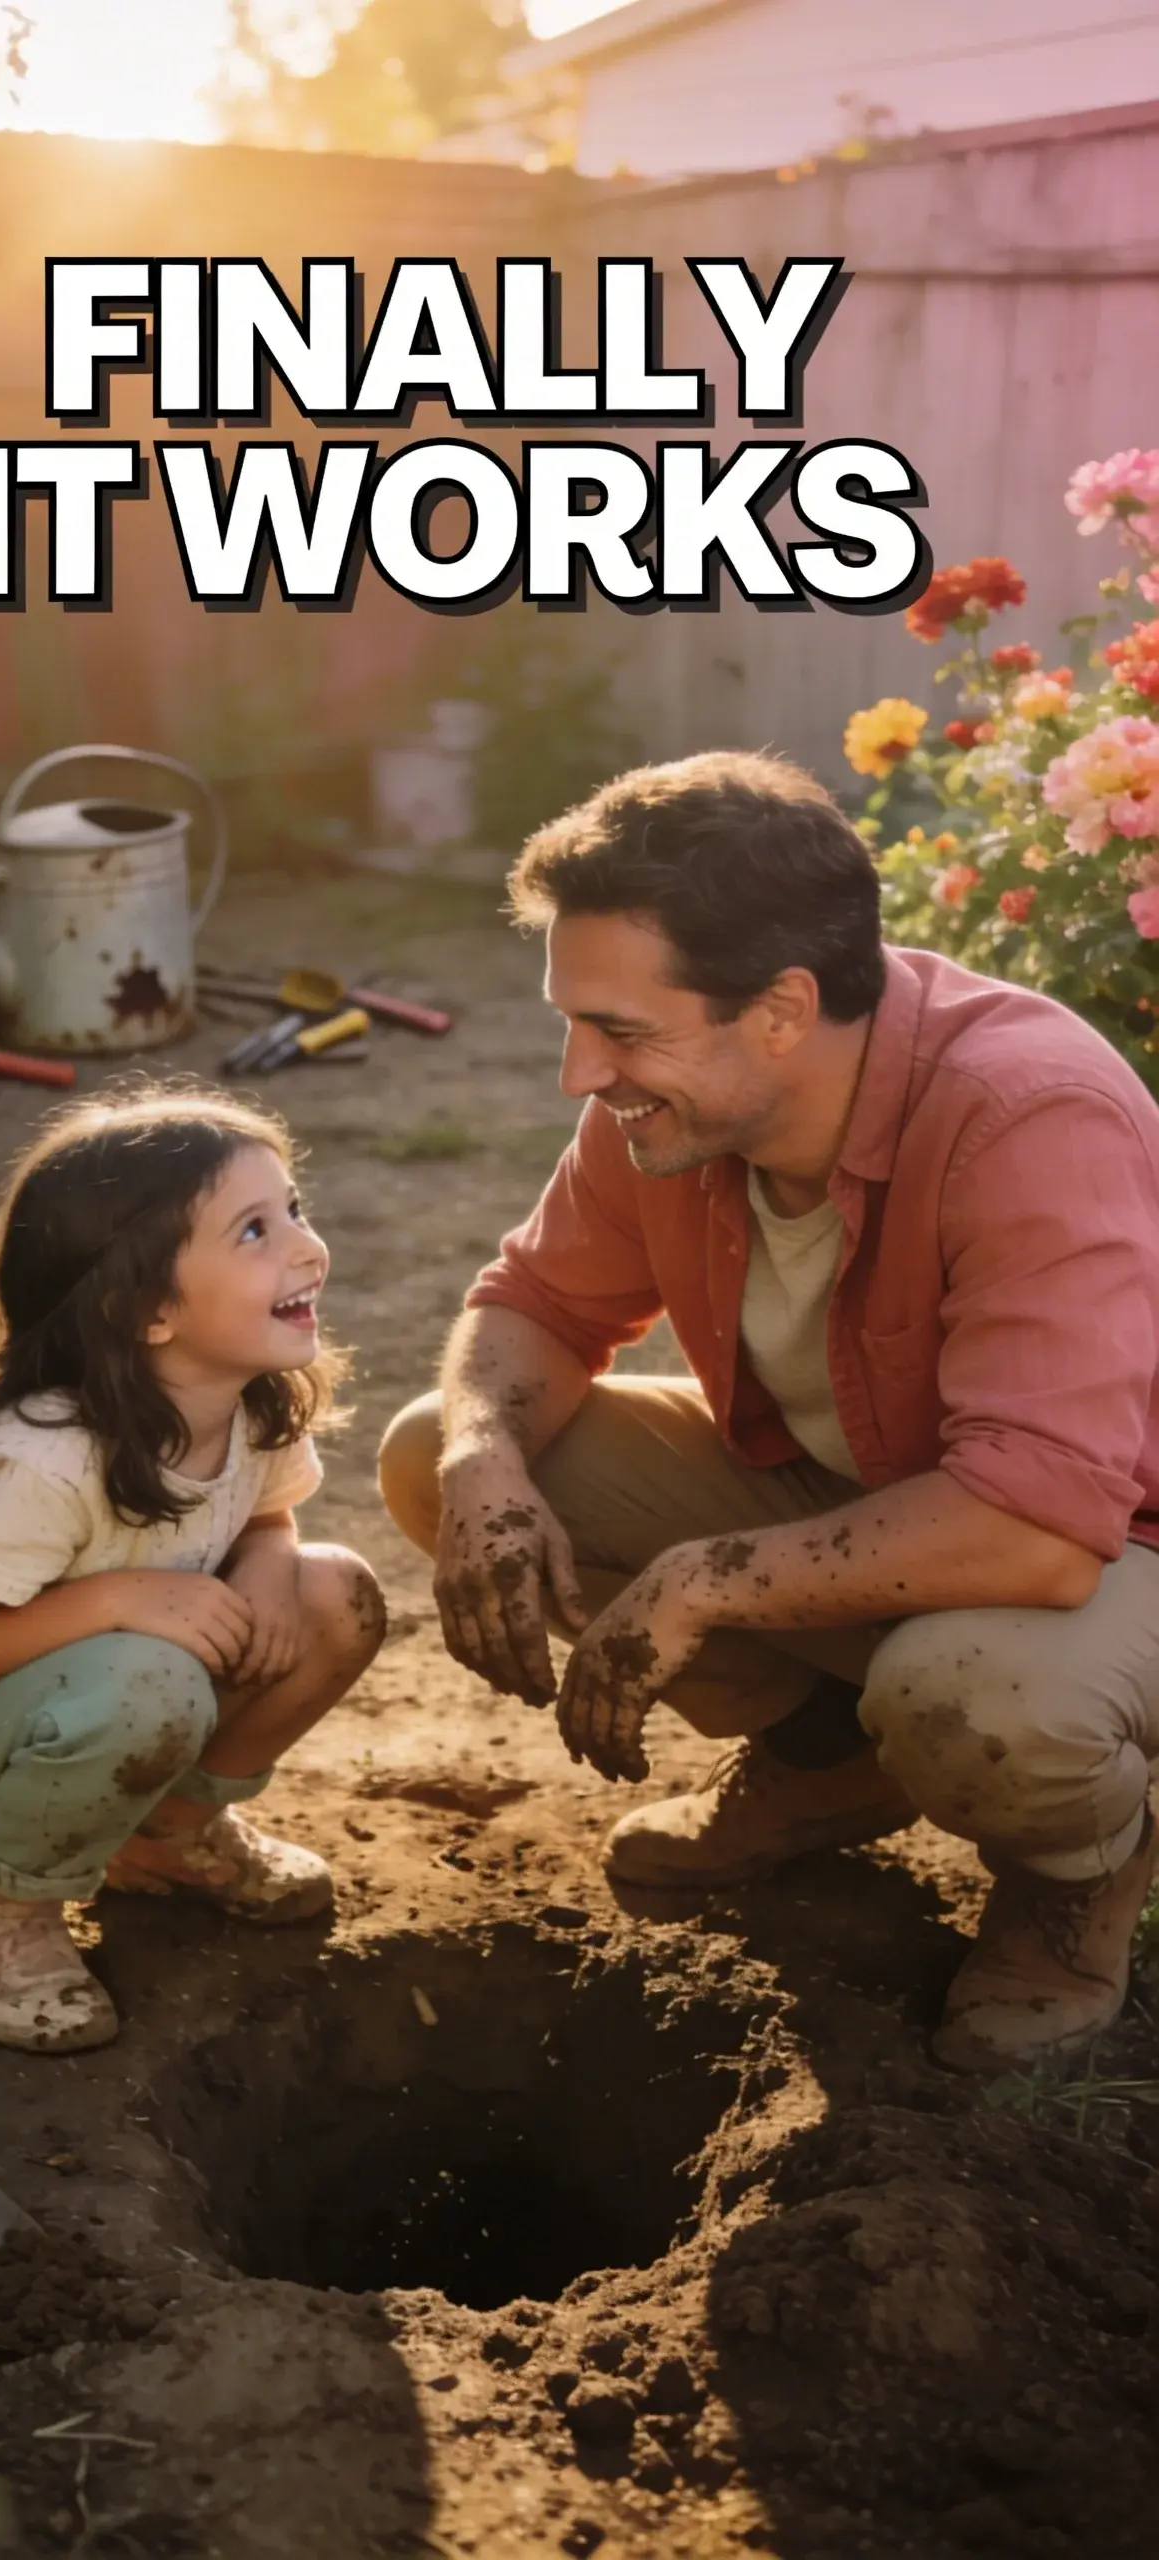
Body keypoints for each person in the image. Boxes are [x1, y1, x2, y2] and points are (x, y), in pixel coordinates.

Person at [380, 748, 1159, 2075]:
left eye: (621, 1030)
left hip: (1105, 1553)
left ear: (787, 1009)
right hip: (876, 1497)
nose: (581, 1072)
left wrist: (707, 1580)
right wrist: (480, 1450)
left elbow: (1038, 1525)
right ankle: (819, 1761)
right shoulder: (675, 1112)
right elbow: (534, 1306)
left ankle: (1074, 1876)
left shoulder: (1028, 1111)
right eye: (576, 1022)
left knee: (974, 1693)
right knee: (437, 1456)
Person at [0, 1086, 384, 2055]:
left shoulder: (249, 1401)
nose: (304, 1246)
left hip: (98, 1690)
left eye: (296, 1209)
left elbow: (270, 1510)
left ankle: (168, 1837)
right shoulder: (44, 1459)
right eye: (254, 1230)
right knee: (146, 1686)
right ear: (147, 1310)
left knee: (339, 1596)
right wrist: (118, 1597)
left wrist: (274, 1564)